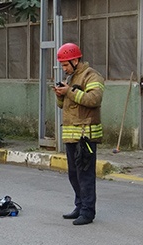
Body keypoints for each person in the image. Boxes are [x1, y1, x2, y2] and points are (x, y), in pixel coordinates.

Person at [53, 43, 104, 226]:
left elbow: (94, 99)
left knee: (85, 175)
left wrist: (70, 91)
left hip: (86, 135)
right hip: (71, 136)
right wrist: (61, 95)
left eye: (66, 65)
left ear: (75, 60)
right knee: (73, 174)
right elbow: (63, 106)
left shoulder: (91, 75)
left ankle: (88, 212)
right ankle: (80, 205)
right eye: (63, 66)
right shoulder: (72, 76)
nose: (64, 69)